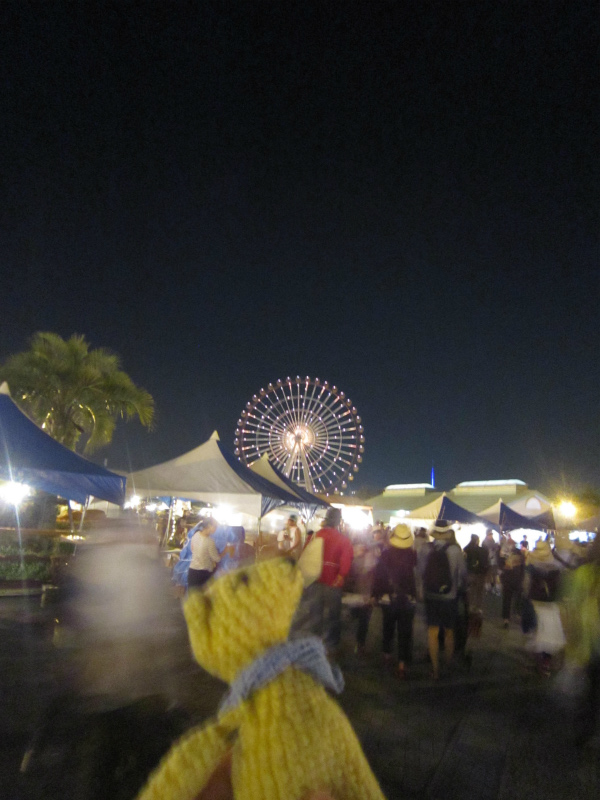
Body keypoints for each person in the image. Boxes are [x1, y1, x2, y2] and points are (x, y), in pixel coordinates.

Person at [290, 507, 353, 653]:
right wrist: (341, 575)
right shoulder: (343, 540)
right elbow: (346, 560)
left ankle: (314, 641)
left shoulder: (315, 536)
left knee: (315, 614)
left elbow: (306, 554)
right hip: (333, 581)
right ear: (338, 521)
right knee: (333, 615)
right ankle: (331, 644)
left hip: (315, 580)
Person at [418, 519, 467, 680]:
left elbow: (420, 572)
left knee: (432, 632)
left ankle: (435, 670)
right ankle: (448, 665)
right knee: (449, 632)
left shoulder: (425, 548)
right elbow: (462, 574)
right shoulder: (455, 550)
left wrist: (421, 590)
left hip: (431, 595)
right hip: (449, 596)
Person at [371, 524, 417, 679]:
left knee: (388, 627)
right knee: (405, 632)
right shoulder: (412, 555)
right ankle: (402, 665)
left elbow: (379, 576)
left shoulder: (386, 554)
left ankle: (387, 655)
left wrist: (375, 594)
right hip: (407, 599)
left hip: (388, 597)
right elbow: (415, 578)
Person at [522, 538, 565, 676]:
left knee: (537, 634)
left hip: (536, 604)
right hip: (551, 606)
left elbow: (526, 586)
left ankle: (539, 663)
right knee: (549, 636)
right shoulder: (556, 568)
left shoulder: (531, 567)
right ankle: (546, 663)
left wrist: (525, 599)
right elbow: (559, 587)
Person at [188, 518, 222, 589]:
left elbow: (192, 549)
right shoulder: (210, 541)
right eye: (215, 526)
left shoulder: (196, 534)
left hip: (192, 571)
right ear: (209, 526)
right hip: (203, 574)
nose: (216, 529)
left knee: (193, 595)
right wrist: (226, 550)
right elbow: (217, 559)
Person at [500, 536, 525, 627]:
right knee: (509, 599)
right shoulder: (503, 553)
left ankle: (510, 616)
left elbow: (522, 566)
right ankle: (507, 618)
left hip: (514, 579)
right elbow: (500, 565)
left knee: (513, 598)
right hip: (510, 579)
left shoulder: (516, 552)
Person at [463, 533, 489, 617]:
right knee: (479, 591)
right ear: (477, 540)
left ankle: (470, 606)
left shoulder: (466, 549)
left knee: (471, 591)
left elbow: (464, 561)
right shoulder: (482, 550)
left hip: (470, 572)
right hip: (480, 573)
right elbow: (485, 562)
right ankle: (478, 608)